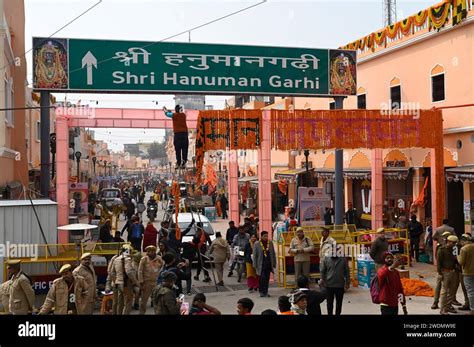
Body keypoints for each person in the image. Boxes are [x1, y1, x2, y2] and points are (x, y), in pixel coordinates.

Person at [107, 244, 140, 315]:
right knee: (128, 302)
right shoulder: (127, 259)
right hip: (126, 284)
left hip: (118, 284)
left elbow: (111, 272)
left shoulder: (116, 259)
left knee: (120, 303)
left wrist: (116, 281)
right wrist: (136, 282)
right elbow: (129, 272)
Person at [320, 244, 350, 315]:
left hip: (340, 285)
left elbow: (347, 271)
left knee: (339, 303)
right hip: (329, 285)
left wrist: (347, 283)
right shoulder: (326, 259)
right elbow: (323, 270)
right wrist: (322, 280)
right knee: (329, 303)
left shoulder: (343, 259)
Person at [437, 235, 459, 315]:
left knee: (452, 291)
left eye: (455, 243)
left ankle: (448, 306)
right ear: (449, 242)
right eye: (453, 243)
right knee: (444, 292)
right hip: (445, 272)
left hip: (453, 272)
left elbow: (453, 260)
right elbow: (439, 263)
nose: (454, 245)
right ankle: (443, 309)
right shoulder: (441, 250)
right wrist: (440, 273)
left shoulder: (451, 249)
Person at [138, 245, 163, 314]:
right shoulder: (144, 259)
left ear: (154, 252)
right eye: (147, 251)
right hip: (146, 283)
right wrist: (141, 281)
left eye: (150, 251)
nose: (148, 253)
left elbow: (162, 268)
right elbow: (140, 271)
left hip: (156, 282)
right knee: (143, 301)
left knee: (157, 300)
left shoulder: (159, 259)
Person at [432, 231, 453, 310]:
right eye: (445, 237)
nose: (445, 239)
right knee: (439, 286)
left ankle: (448, 304)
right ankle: (435, 302)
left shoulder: (451, 246)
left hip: (448, 269)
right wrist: (439, 270)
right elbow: (437, 258)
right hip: (441, 269)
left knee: (448, 288)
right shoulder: (440, 246)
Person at [253, 231, 277, 297]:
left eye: (267, 236)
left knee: (267, 279)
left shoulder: (270, 243)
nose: (266, 237)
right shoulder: (257, 244)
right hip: (261, 264)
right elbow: (255, 255)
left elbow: (273, 254)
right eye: (265, 236)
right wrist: (255, 265)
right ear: (261, 236)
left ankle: (266, 291)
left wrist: (274, 263)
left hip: (268, 264)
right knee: (262, 278)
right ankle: (261, 291)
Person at [164, 104, 189, 169]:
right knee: (184, 149)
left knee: (178, 149)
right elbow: (176, 114)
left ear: (175, 110)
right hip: (184, 134)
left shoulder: (174, 115)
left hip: (178, 134)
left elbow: (167, 114)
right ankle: (184, 162)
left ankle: (178, 163)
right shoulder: (184, 115)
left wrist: (165, 110)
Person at [458, 234, 474, 314]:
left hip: (468, 272)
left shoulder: (464, 249)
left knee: (470, 291)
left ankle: (472, 310)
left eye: (461, 242)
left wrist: (457, 257)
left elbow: (461, 262)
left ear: (463, 241)